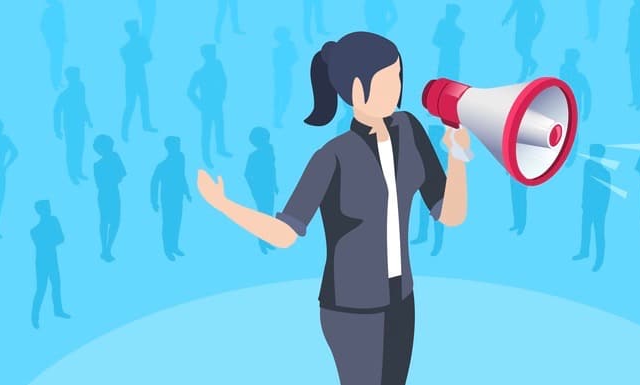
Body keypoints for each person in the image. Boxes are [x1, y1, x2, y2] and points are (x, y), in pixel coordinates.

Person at [196, 32, 469, 385]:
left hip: (402, 302)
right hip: (351, 310)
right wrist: (224, 204)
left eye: (398, 77)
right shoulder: (331, 157)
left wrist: (458, 158)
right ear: (358, 89)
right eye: (387, 81)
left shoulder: (411, 130)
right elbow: (284, 233)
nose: (397, 90)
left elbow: (450, 213)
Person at [188, 44, 230, 167]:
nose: (213, 55)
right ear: (205, 55)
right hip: (207, 106)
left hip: (217, 103)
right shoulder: (199, 73)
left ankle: (220, 149)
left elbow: (224, 81)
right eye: (211, 53)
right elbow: (190, 92)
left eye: (214, 52)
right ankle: (206, 157)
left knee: (219, 127)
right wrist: (200, 105)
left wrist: (222, 95)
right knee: (206, 131)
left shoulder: (218, 66)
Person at [30, 200, 70, 329]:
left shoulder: (53, 221)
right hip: (42, 261)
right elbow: (57, 239)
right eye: (46, 208)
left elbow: (61, 238)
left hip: (51, 259)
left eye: (49, 207)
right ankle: (35, 317)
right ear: (40, 211)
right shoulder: (34, 231)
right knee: (41, 288)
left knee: (56, 285)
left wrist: (50, 240)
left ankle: (58, 310)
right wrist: (52, 239)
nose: (49, 210)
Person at [151, 136, 192, 261]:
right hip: (167, 198)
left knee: (177, 222)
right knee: (168, 223)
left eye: (179, 145)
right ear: (169, 147)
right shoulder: (162, 166)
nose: (178, 148)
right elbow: (154, 182)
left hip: (178, 196)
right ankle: (167, 249)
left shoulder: (181, 157)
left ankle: (174, 246)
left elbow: (182, 175)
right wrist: (154, 201)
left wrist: (187, 192)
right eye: (175, 146)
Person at [411, 125, 448, 256]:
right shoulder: (423, 151)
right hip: (424, 188)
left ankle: (437, 244)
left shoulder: (444, 154)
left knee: (439, 218)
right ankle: (422, 236)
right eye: (430, 134)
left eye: (434, 134)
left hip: (441, 189)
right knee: (423, 215)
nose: (431, 136)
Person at [573, 144, 611, 272]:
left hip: (598, 208)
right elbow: (586, 186)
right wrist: (584, 201)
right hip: (588, 205)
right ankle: (584, 252)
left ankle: (599, 260)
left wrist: (604, 209)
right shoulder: (588, 165)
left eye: (593, 152)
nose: (590, 154)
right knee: (586, 229)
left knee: (599, 233)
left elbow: (606, 195)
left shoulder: (605, 173)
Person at [53, 66, 93, 185]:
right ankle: (72, 174)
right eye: (74, 75)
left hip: (80, 124)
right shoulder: (65, 94)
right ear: (69, 78)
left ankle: (78, 171)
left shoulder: (81, 87)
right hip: (70, 126)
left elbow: (83, 103)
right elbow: (56, 111)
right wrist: (57, 129)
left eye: (78, 75)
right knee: (71, 150)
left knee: (80, 148)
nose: (77, 77)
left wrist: (88, 118)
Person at [120, 20, 156, 142]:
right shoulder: (126, 48)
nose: (137, 30)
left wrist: (140, 56)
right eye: (135, 28)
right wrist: (141, 56)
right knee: (131, 104)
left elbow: (149, 56)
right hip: (134, 77)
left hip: (137, 77)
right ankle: (124, 131)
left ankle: (146, 125)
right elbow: (147, 57)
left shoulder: (127, 48)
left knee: (143, 102)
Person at [245, 127, 279, 254]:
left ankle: (267, 240)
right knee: (262, 215)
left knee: (268, 215)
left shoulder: (269, 151)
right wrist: (254, 189)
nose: (267, 141)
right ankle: (262, 243)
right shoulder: (254, 156)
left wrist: (274, 184)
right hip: (260, 189)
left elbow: (272, 169)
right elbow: (247, 174)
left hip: (269, 188)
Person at [94, 135, 126, 262]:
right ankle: (105, 249)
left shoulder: (101, 163)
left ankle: (106, 249)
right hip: (110, 193)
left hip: (108, 193)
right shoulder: (102, 163)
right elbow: (121, 175)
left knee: (109, 221)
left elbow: (121, 174)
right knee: (109, 221)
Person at [503, 0, 545, 82]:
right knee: (518, 47)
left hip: (529, 29)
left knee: (526, 50)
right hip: (519, 28)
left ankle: (523, 75)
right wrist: (506, 18)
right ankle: (533, 63)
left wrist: (536, 29)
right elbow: (513, 8)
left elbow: (542, 14)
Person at [273, 29, 298, 129]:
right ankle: (277, 118)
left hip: (285, 73)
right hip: (281, 74)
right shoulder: (277, 49)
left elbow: (295, 58)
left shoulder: (288, 47)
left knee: (285, 96)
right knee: (282, 96)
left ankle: (278, 117)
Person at [433, 4, 464, 79]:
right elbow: (435, 41)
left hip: (453, 59)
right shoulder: (443, 24)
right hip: (445, 58)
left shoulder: (459, 32)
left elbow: (436, 41)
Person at [40, 0, 66, 89]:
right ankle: (55, 82)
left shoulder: (59, 10)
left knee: (58, 60)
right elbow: (43, 26)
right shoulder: (50, 11)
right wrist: (49, 39)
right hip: (54, 40)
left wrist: (64, 35)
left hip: (59, 40)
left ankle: (57, 81)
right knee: (55, 60)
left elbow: (62, 24)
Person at [560, 49, 591, 122]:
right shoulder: (564, 73)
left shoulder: (579, 78)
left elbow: (587, 94)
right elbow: (587, 94)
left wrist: (586, 111)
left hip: (572, 110)